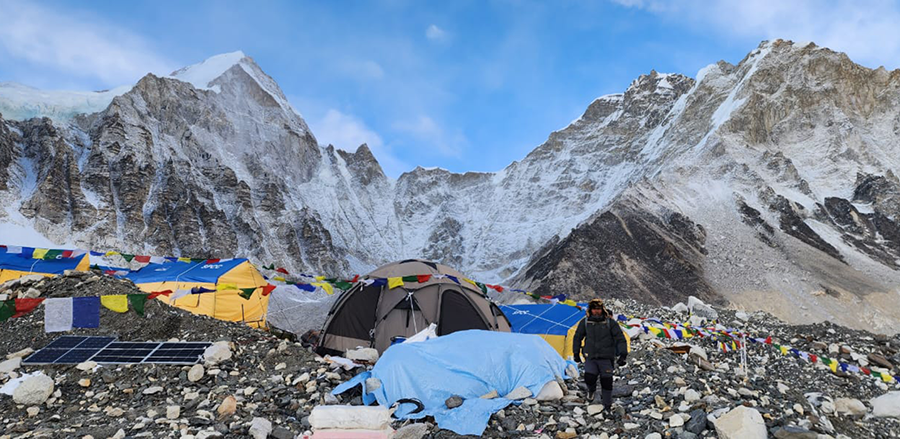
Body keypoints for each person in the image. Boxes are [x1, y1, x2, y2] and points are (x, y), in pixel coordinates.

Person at [572, 298, 628, 408]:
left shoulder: (610, 323)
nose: (596, 311)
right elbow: (577, 337)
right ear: (590, 310)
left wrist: (623, 354)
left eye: (598, 309)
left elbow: (620, 338)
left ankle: (607, 405)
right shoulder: (585, 322)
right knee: (589, 377)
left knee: (606, 381)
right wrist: (576, 353)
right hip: (590, 356)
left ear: (602, 309)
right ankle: (591, 390)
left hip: (606, 357)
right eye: (594, 309)